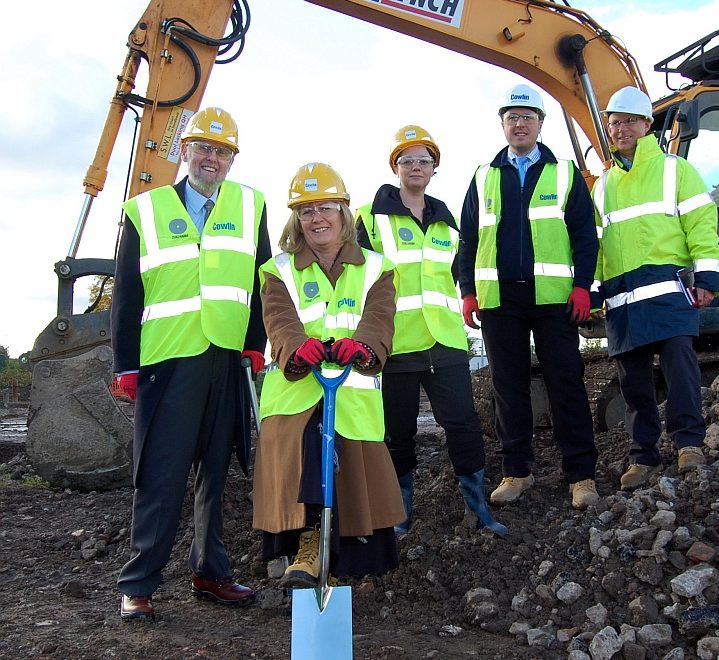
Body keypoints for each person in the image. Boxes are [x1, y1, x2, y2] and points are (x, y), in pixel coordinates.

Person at [111, 107, 271, 621]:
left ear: (232, 159)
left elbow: (261, 281)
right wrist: (126, 364)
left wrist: (255, 343)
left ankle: (210, 572)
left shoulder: (252, 206)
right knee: (161, 474)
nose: (212, 158)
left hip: (225, 358)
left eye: (222, 152)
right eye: (204, 148)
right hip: (168, 358)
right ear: (185, 151)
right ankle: (138, 584)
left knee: (216, 473)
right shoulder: (146, 209)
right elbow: (126, 295)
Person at [252, 163, 405, 588]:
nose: (317, 218)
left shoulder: (377, 268)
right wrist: (296, 348)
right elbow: (279, 320)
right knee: (309, 444)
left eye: (326, 208)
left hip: (350, 389)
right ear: (296, 221)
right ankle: (309, 547)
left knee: (345, 459)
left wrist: (365, 346)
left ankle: (342, 561)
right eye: (306, 211)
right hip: (297, 389)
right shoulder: (277, 270)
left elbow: (379, 318)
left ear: (344, 213)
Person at [355, 125, 507, 538]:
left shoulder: (447, 222)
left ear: (434, 168)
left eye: (424, 160)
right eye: (408, 160)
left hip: (445, 342)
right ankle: (399, 515)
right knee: (398, 434)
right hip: (395, 345)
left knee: (463, 426)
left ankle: (478, 508)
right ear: (395, 167)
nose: (416, 167)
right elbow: (353, 278)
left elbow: (465, 276)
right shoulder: (369, 218)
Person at [459, 83, 600, 510]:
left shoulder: (565, 173)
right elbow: (467, 240)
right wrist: (467, 291)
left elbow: (585, 236)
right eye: (511, 117)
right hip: (500, 301)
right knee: (509, 388)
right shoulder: (484, 175)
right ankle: (516, 472)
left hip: (555, 298)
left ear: (540, 124)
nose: (519, 124)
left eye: (527, 117)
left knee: (566, 383)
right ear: (502, 124)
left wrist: (583, 287)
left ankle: (582, 475)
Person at [591, 86, 719, 490]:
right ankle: (642, 456)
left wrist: (708, 274)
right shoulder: (601, 185)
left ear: (647, 124)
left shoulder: (674, 170)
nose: (621, 128)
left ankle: (689, 445)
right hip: (622, 297)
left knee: (680, 368)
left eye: (629, 121)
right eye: (614, 122)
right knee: (633, 385)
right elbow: (595, 244)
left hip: (668, 289)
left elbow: (700, 222)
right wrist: (594, 290)